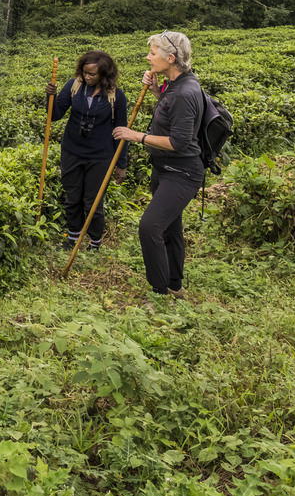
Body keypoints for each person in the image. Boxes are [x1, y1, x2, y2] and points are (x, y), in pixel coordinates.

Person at [112, 30, 205, 300]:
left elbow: (180, 142)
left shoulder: (185, 91)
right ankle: (174, 286)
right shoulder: (174, 84)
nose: (148, 57)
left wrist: (136, 136)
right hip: (164, 170)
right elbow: (172, 114)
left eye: (153, 53)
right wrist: (156, 91)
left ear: (171, 58)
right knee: (170, 229)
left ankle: (159, 291)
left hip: (182, 173)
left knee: (150, 227)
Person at [45, 50, 128, 252]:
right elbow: (54, 116)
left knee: (93, 202)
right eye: (85, 73)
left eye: (93, 74)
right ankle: (73, 237)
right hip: (72, 151)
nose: (88, 77)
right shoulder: (74, 86)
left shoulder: (116, 96)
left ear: (104, 74)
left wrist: (121, 164)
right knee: (72, 196)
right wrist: (50, 97)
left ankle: (94, 242)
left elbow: (121, 132)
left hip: (101, 156)